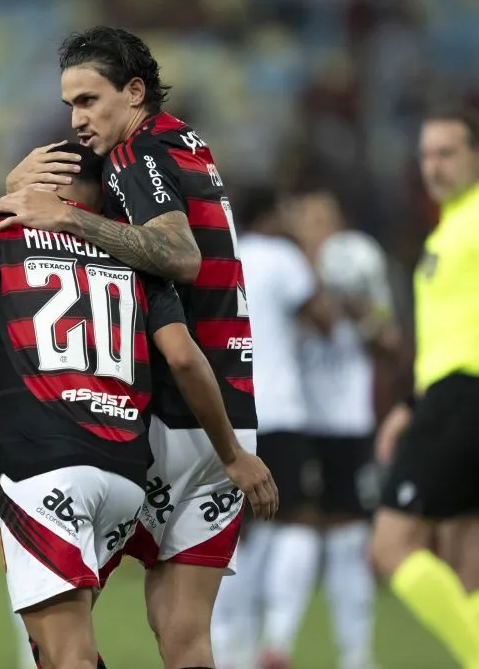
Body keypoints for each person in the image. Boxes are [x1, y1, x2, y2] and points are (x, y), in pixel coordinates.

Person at [0, 143, 275, 669]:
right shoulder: (134, 251)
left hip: (42, 464)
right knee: (70, 649)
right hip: (126, 476)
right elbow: (183, 357)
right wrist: (230, 452)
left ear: (46, 177)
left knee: (65, 655)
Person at [0, 26, 260, 669]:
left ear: (134, 92)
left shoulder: (137, 154)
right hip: (226, 413)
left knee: (52, 614)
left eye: (89, 101)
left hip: (159, 412)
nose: (77, 120)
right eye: (70, 105)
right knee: (186, 637)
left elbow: (180, 256)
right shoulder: (188, 144)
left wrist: (63, 214)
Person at [371, 107, 479, 669]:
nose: (433, 166)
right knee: (478, 558)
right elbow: (456, 330)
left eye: (447, 153)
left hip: (471, 398)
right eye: (426, 154)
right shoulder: (457, 221)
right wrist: (409, 406)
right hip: (459, 395)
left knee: (391, 545)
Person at [207, 188, 332, 669]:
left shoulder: (220, 255)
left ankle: (226, 640)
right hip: (280, 410)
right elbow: (323, 319)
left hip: (228, 413)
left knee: (231, 531)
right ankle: (276, 639)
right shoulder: (283, 256)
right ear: (272, 215)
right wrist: (312, 256)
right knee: (298, 521)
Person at [284, 191, 398, 669]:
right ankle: (273, 645)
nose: (318, 230)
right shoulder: (286, 273)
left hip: (348, 423)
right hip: (298, 420)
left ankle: (356, 653)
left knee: (349, 541)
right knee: (291, 535)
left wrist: (365, 313)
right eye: (309, 220)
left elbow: (391, 344)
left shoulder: (361, 265)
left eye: (323, 219)